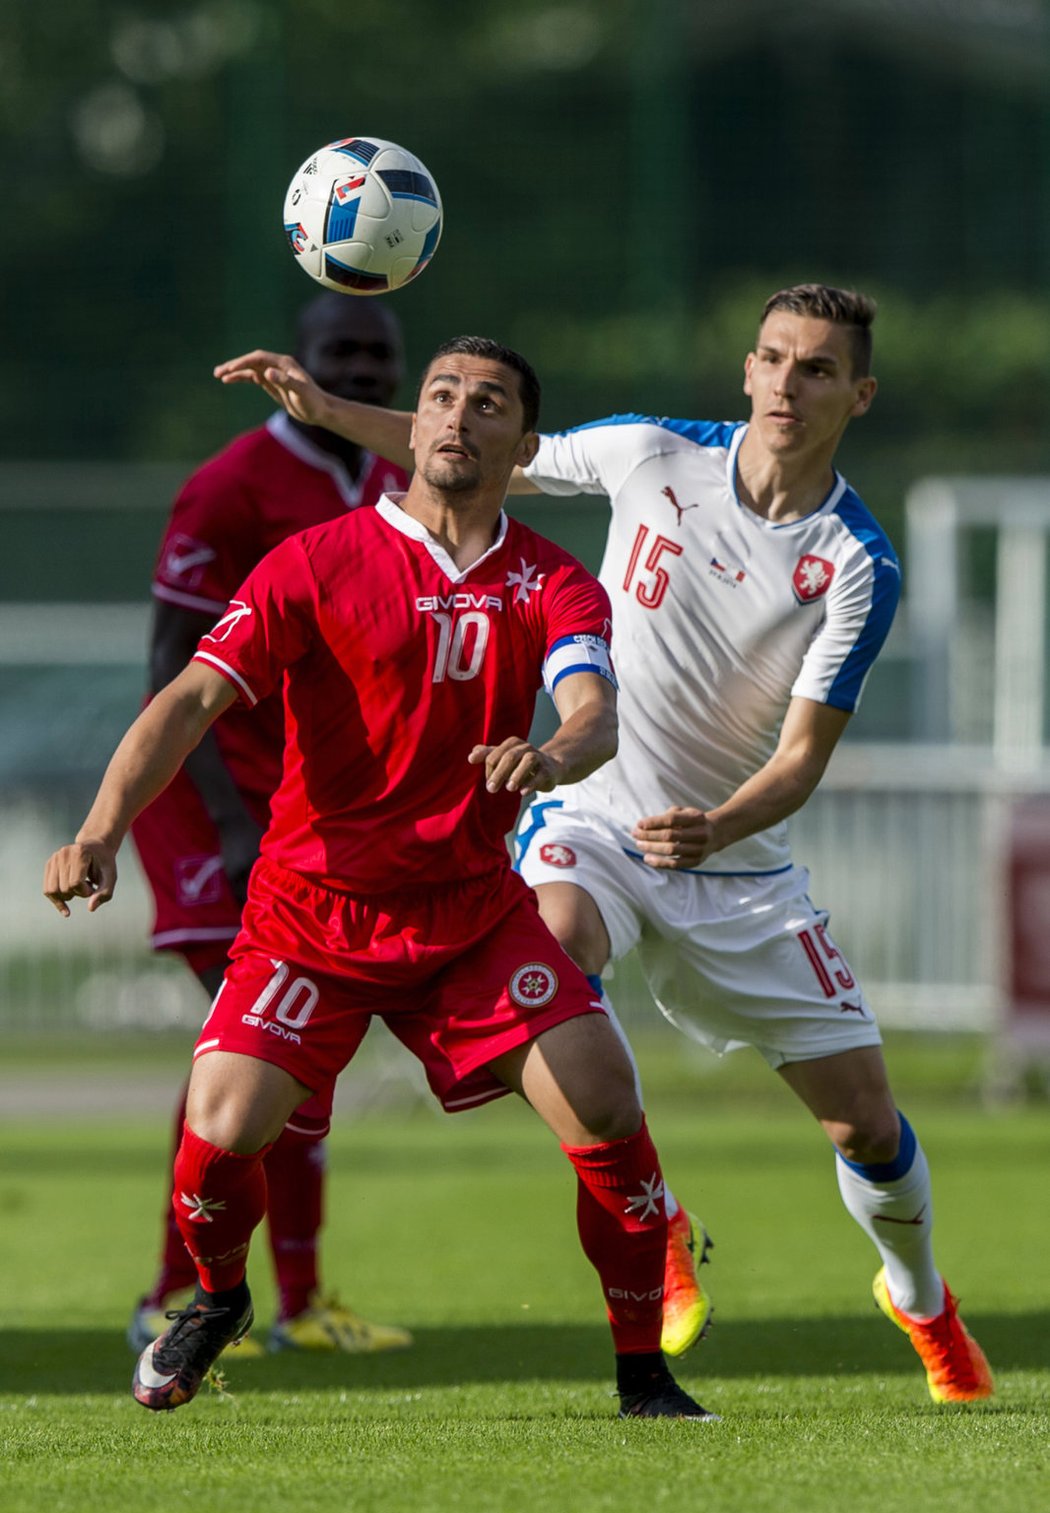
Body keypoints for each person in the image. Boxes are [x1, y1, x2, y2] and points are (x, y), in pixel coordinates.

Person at [212, 286, 994, 1405]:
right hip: (593, 814)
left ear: (857, 395)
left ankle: (921, 1300)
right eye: (773, 358)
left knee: (864, 1121)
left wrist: (718, 827)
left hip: (734, 866)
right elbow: (478, 452)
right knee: (558, 944)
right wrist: (326, 407)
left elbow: (804, 757)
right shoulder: (652, 453)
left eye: (817, 369)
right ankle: (658, 1215)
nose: (788, 384)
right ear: (745, 368)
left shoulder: (858, 561)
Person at [44, 336, 714, 1423]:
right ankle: (216, 1300)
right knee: (218, 1134)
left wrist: (549, 753)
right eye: (441, 394)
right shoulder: (316, 559)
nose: (457, 414)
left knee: (605, 1103)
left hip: (470, 917)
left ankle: (645, 1374)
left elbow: (594, 709)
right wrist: (101, 828)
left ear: (521, 442)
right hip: (312, 912)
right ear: (415, 425)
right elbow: (188, 701)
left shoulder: (550, 577)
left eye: (486, 401)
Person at [128, 293, 413, 1359]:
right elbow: (171, 667)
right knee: (247, 1059)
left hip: (312, 818)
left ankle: (293, 1304)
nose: (363, 370)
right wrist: (231, 820)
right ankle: (177, 1297)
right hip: (215, 809)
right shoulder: (229, 485)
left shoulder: (392, 480)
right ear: (296, 364)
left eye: (378, 355)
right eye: (340, 351)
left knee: (285, 1066)